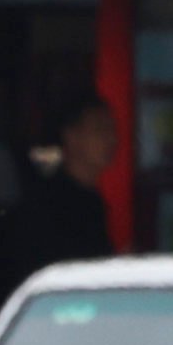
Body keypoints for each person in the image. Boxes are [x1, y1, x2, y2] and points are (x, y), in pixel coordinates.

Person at [17, 100, 122, 274]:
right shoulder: (52, 204)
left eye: (112, 129)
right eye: (100, 129)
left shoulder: (91, 200)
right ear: (71, 137)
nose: (112, 139)